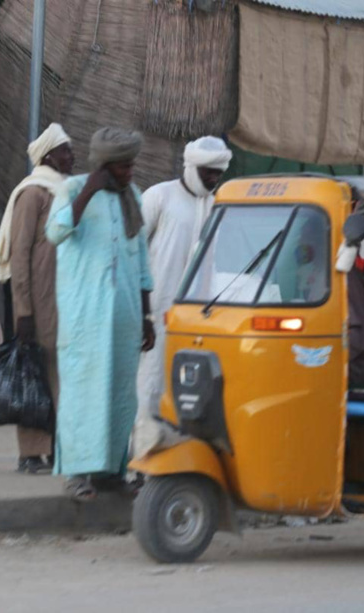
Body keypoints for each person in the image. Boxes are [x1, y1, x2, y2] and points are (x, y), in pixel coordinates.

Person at [46, 127, 155, 500]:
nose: (129, 172)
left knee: (121, 395)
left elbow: (141, 261)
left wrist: (146, 316)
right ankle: (77, 474)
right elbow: (56, 232)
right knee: (81, 392)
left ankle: (111, 472)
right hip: (83, 317)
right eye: (123, 166)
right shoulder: (74, 190)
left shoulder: (133, 197)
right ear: (104, 165)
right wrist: (90, 189)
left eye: (131, 165)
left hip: (124, 316)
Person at [0, 123, 74, 474]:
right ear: (49, 156)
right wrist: (22, 310)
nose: (72, 156)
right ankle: (30, 454)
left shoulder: (66, 191)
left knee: (60, 376)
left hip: (63, 297)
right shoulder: (33, 193)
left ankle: (58, 449)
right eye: (66, 151)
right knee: (34, 374)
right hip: (36, 302)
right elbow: (20, 254)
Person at [135, 136, 232, 423]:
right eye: (208, 172)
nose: (213, 178)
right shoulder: (159, 197)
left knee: (188, 385)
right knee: (150, 380)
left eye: (218, 172)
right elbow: (133, 251)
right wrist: (142, 312)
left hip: (197, 316)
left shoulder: (217, 206)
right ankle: (142, 452)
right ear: (191, 167)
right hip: (155, 310)